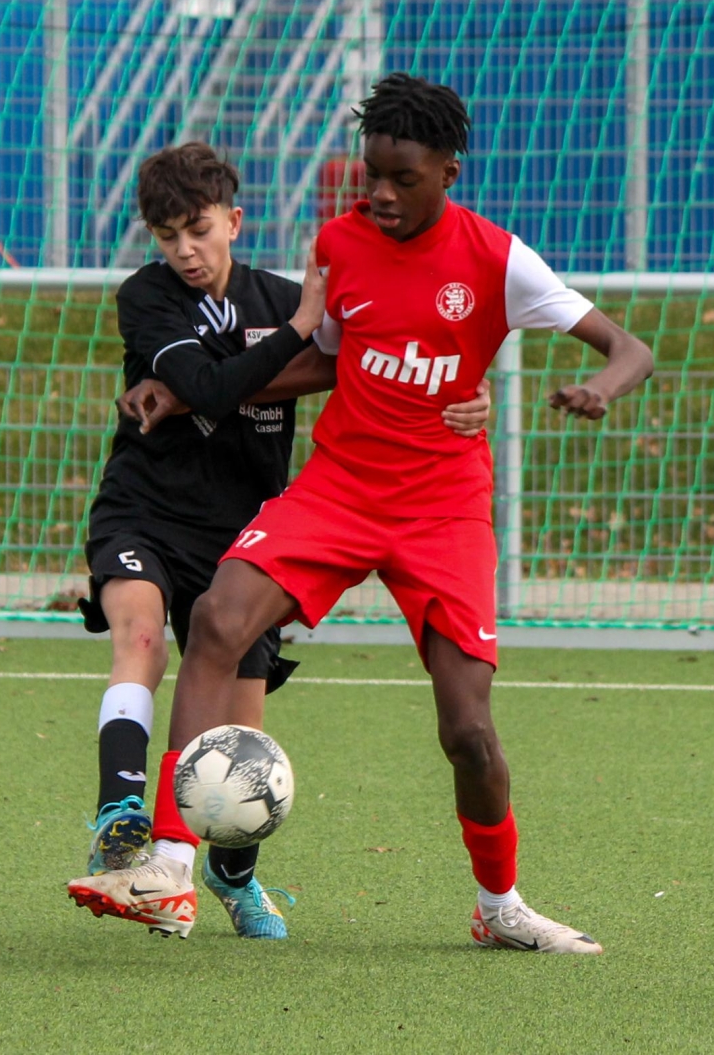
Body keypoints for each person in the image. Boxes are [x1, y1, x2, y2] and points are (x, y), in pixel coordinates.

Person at [69, 74, 653, 951]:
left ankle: (500, 906)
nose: (378, 192)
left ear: (448, 173)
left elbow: (628, 347)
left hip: (444, 508)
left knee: (468, 731)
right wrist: (185, 395)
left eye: (400, 178)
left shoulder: (499, 259)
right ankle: (172, 863)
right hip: (340, 486)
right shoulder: (340, 243)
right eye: (370, 174)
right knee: (218, 618)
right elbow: (329, 362)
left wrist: (599, 388)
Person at [70, 139, 492, 940]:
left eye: (199, 230)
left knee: (242, 742)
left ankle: (233, 877)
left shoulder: (280, 295)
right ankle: (121, 814)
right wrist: (296, 330)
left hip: (246, 533)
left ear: (234, 221)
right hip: (145, 510)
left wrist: (470, 396)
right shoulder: (149, 297)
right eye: (168, 236)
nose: (186, 251)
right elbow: (207, 387)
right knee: (140, 636)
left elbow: (373, 357)